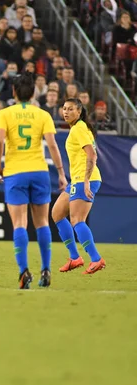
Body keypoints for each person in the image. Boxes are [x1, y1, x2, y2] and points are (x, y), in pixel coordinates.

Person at [0, 73, 67, 289]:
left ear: (14, 92)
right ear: (34, 92)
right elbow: (52, 145)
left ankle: (23, 271)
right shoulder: (43, 115)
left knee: (19, 224)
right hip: (39, 171)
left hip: (16, 172)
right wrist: (61, 172)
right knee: (42, 222)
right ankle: (46, 269)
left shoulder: (4, 114)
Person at [52, 98, 106, 275]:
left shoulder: (79, 128)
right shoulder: (78, 128)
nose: (66, 112)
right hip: (77, 179)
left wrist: (86, 180)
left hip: (85, 179)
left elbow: (91, 155)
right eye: (64, 109)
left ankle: (96, 259)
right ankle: (75, 257)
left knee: (77, 220)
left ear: (79, 111)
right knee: (57, 213)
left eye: (70, 109)